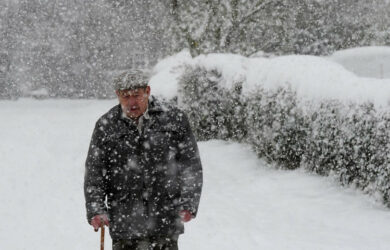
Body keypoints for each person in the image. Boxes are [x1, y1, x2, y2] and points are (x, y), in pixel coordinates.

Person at [84, 70, 203, 250]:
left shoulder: (174, 119)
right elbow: (94, 172)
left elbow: (190, 164)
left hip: (165, 218)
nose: (132, 102)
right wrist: (96, 209)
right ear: (117, 95)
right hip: (125, 222)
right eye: (125, 97)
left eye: (137, 95)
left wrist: (189, 203)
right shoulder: (106, 126)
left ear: (147, 91)